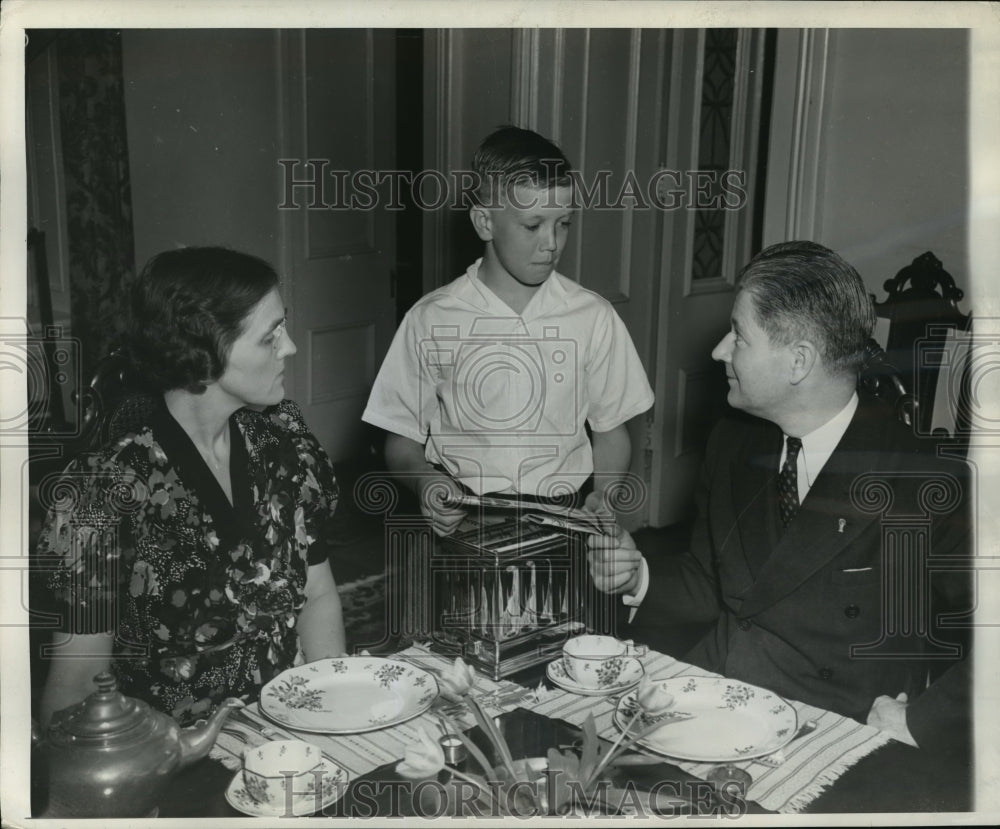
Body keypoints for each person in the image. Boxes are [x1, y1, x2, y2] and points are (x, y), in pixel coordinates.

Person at [586, 241, 972, 751]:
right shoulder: (733, 438)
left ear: (798, 362)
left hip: (829, 731)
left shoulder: (921, 479)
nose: (719, 350)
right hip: (715, 697)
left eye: (739, 336)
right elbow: (711, 583)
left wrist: (920, 722)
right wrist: (638, 575)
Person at [37, 246, 346, 727]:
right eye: (270, 338)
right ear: (204, 355)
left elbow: (318, 595)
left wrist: (330, 714)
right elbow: (75, 690)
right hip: (173, 758)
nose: (290, 348)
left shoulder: (285, 445)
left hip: (289, 726)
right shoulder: (103, 492)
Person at [362, 125, 654, 533]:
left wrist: (603, 496)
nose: (551, 243)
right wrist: (425, 482)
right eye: (533, 226)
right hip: (468, 519)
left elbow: (611, 431)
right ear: (485, 222)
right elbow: (401, 439)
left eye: (564, 223)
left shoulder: (593, 317)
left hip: (564, 518)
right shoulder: (431, 318)